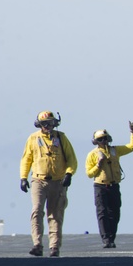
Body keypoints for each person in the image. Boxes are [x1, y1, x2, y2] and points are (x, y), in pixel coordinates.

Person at [20, 110, 77, 257]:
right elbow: (26, 159)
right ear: (39, 125)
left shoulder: (61, 138)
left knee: (55, 214)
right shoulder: (33, 138)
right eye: (45, 123)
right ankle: (37, 244)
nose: (48, 126)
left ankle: (54, 247)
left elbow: (71, 158)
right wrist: (23, 178)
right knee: (37, 210)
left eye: (50, 123)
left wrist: (69, 174)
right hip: (39, 180)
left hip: (58, 182)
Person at [84, 121, 133, 248]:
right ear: (96, 141)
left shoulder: (115, 150)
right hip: (100, 186)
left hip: (114, 186)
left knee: (115, 213)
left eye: (105, 138)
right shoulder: (92, 154)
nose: (103, 141)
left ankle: (112, 237)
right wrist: (98, 164)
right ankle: (106, 239)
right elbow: (89, 174)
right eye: (100, 139)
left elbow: (131, 147)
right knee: (102, 213)